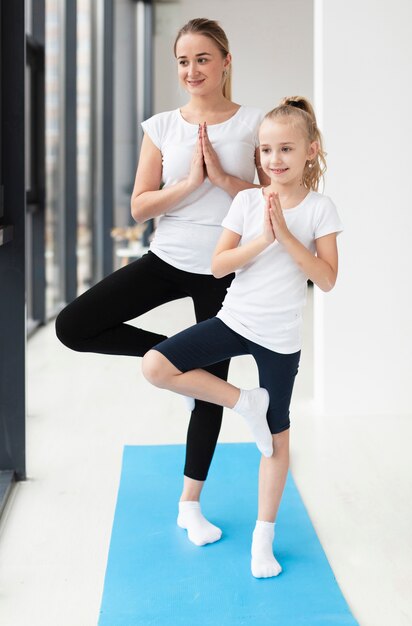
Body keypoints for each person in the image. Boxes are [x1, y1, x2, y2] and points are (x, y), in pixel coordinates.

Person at [55, 18, 268, 548]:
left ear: (225, 61)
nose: (191, 70)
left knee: (209, 398)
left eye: (201, 58)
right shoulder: (161, 127)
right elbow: (139, 205)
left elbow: (274, 202)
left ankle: (189, 506)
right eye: (182, 61)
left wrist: (222, 179)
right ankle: (181, 363)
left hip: (224, 270)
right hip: (166, 258)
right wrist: (190, 183)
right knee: (73, 325)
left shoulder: (255, 124)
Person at [142, 96, 343, 578]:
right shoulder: (248, 200)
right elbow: (218, 265)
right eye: (267, 150)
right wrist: (263, 240)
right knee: (155, 365)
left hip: (280, 339)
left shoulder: (320, 208)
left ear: (310, 151)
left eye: (287, 150)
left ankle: (263, 538)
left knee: (276, 442)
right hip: (235, 321)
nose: (275, 160)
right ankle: (241, 401)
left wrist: (289, 238)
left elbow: (329, 278)